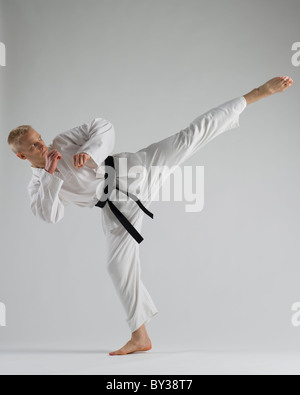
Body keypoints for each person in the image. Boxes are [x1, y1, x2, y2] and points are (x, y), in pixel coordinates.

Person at [7, 76, 294, 356]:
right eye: (33, 146)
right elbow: (50, 215)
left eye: (39, 138)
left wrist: (88, 151)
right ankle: (140, 337)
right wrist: (49, 176)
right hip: (115, 209)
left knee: (190, 136)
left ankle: (256, 94)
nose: (42, 145)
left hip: (133, 170)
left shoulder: (62, 141)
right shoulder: (37, 185)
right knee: (116, 267)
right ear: (21, 156)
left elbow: (102, 125)